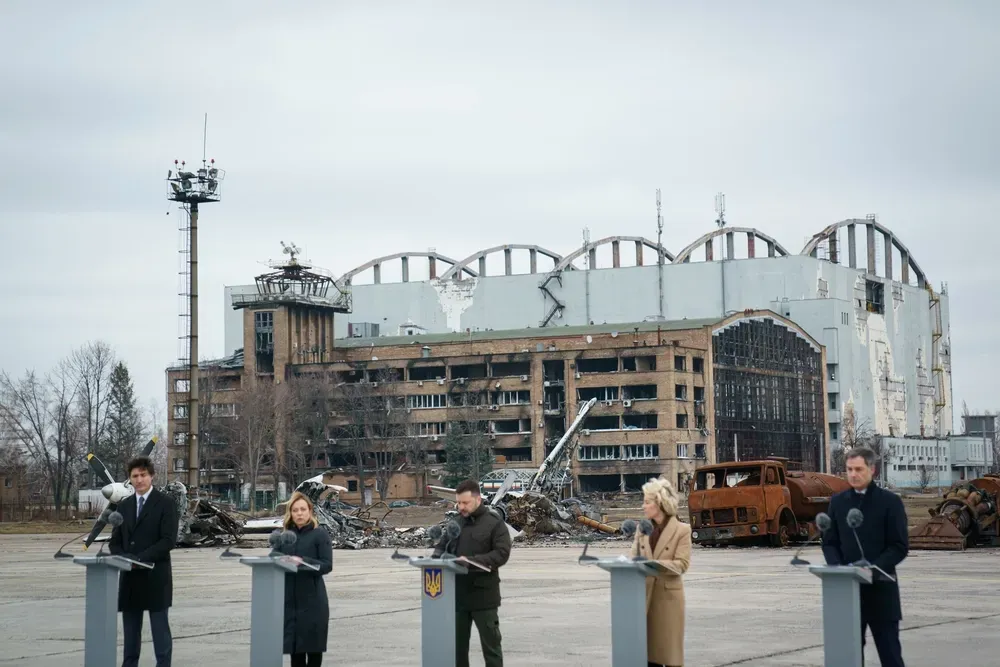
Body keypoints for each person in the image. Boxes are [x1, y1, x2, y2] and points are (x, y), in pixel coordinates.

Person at [821, 446, 909, 667]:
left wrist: (872, 568)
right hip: (847, 595)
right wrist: (841, 570)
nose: (853, 474)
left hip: (881, 592)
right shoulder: (838, 502)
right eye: (849, 469)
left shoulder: (890, 503)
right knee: (848, 657)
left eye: (858, 469)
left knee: (890, 655)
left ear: (872, 470)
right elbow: (829, 542)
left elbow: (899, 545)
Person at [108, 456, 179, 667]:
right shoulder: (124, 506)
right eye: (134, 476)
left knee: (160, 632)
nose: (139, 480)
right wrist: (123, 557)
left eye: (143, 475)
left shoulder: (166, 503)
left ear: (151, 476)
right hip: (130, 577)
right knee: (130, 635)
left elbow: (168, 540)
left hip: (155, 575)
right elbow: (115, 541)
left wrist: (141, 558)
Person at [432, 479, 512, 667]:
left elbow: (501, 554)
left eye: (465, 503)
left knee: (491, 649)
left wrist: (472, 562)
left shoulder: (494, 523)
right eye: (458, 502)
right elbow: (441, 548)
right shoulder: (455, 523)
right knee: (457, 650)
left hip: (484, 597)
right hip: (457, 598)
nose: (461, 507)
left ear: (477, 500)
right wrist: (434, 560)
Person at [630, 475, 691, 667]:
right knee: (647, 657)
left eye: (647, 502)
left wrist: (656, 565)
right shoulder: (642, 529)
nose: (643, 506)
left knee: (669, 656)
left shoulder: (682, 530)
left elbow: (682, 564)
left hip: (668, 600)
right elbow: (633, 558)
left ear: (660, 504)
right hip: (644, 598)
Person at [275, 491, 334, 667]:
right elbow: (273, 558)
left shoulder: (320, 535)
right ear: (290, 514)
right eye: (295, 510)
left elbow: (326, 565)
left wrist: (303, 562)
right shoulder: (284, 537)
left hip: (313, 602)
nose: (299, 513)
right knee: (296, 654)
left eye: (302, 509)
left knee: (314, 651)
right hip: (290, 603)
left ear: (310, 511)